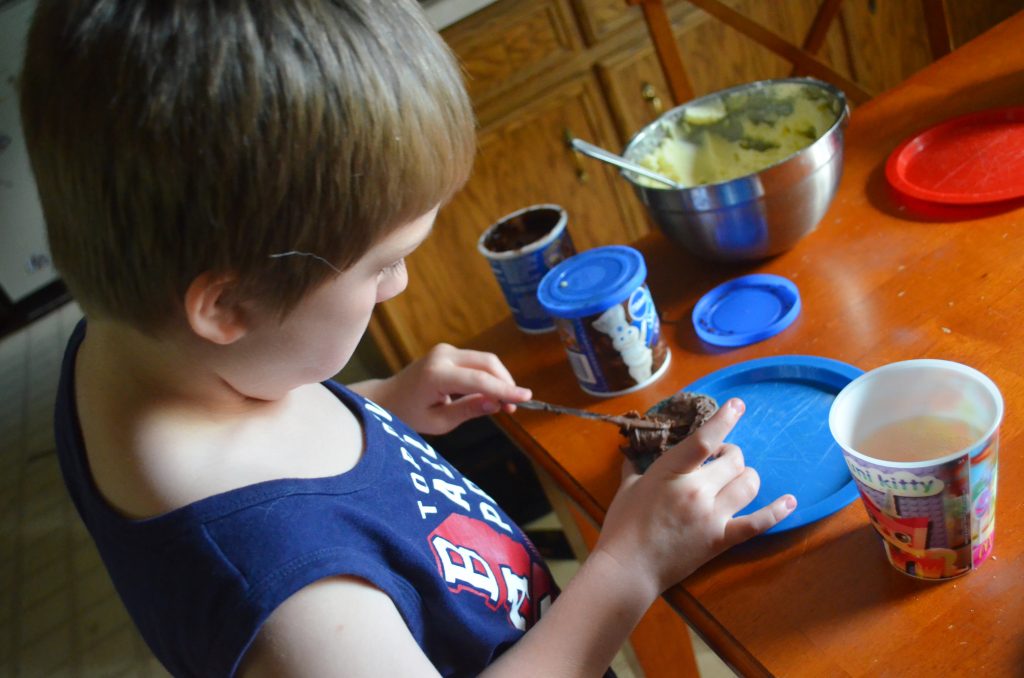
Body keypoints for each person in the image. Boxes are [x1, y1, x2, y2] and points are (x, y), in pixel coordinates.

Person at [20, 1, 797, 676]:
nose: (400, 286)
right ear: (227, 308)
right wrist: (630, 567)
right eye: (382, 265)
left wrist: (380, 405)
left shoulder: (132, 344)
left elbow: (265, 431)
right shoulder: (302, 607)